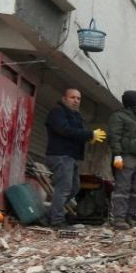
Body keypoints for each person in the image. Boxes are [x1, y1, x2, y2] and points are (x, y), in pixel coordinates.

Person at [43, 88, 105, 227]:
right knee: (64, 188)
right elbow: (64, 130)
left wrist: (89, 138)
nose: (76, 101)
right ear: (64, 98)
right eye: (72, 97)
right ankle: (56, 221)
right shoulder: (57, 112)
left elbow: (79, 132)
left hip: (70, 156)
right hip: (60, 155)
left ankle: (50, 215)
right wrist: (89, 135)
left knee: (74, 188)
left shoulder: (76, 115)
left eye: (78, 98)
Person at [107, 90, 136, 229]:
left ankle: (130, 216)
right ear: (134, 100)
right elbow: (114, 136)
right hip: (125, 156)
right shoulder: (118, 116)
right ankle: (119, 219)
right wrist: (117, 154)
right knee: (123, 188)